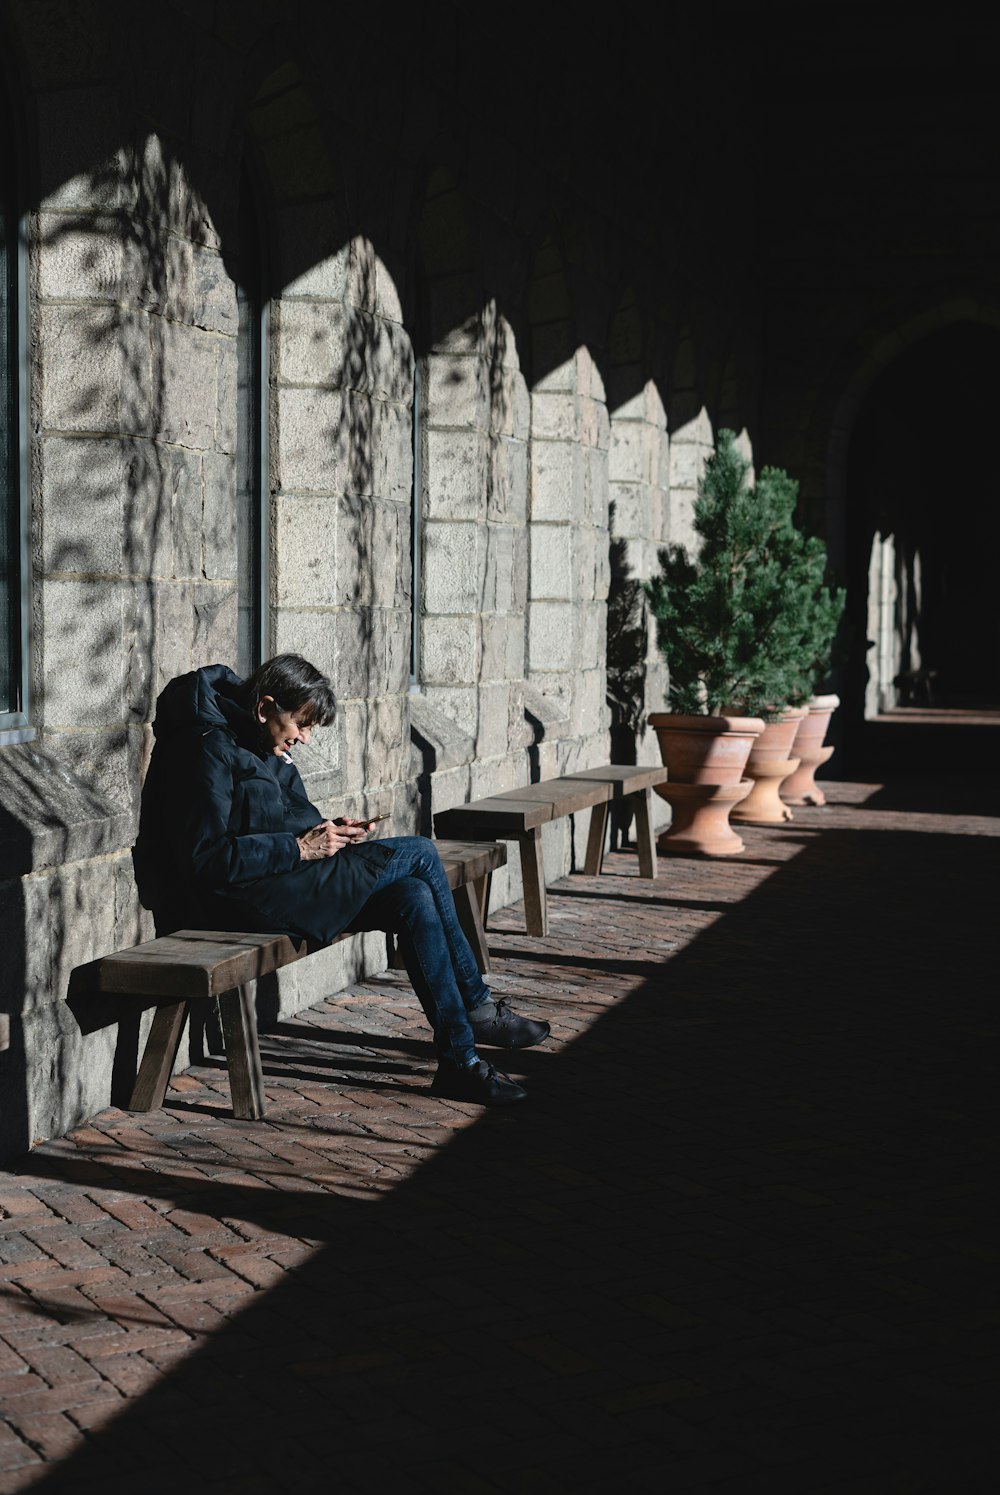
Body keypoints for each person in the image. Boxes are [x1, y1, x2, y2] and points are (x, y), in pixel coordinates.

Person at [133, 654, 549, 1105]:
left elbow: (294, 819)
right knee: (422, 853)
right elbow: (205, 858)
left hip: (286, 881)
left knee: (412, 896)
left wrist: (333, 832)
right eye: (301, 725)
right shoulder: (205, 748)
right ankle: (478, 1006)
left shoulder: (269, 746)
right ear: (265, 707)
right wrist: (299, 848)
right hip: (235, 899)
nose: (305, 739)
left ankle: (460, 1061)